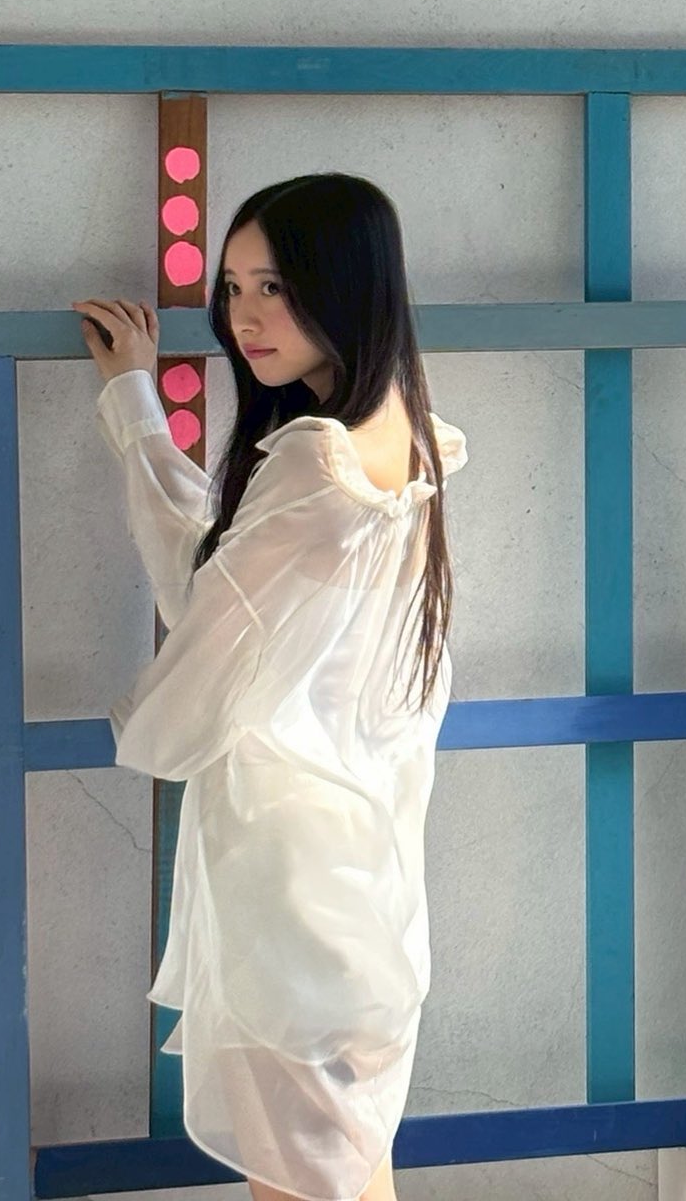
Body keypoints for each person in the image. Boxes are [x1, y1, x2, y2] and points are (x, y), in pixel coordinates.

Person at [71, 172, 468, 1201]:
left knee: (305, 1185)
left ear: (345, 284)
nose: (245, 317)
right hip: (368, 886)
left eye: (276, 287)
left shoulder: (316, 464)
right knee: (349, 1174)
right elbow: (233, 574)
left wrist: (134, 406)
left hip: (290, 895)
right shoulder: (406, 435)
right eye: (235, 287)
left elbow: (207, 614)